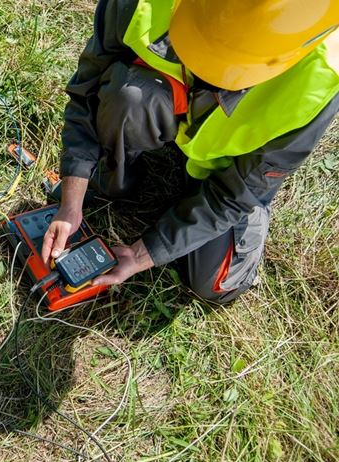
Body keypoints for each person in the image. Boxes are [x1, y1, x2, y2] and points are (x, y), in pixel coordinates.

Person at [41, 0, 339, 303]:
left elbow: (236, 195)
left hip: (228, 172)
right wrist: (71, 202)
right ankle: (111, 175)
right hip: (162, 97)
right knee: (127, 99)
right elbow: (86, 91)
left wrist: (140, 254)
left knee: (213, 284)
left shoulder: (319, 78)